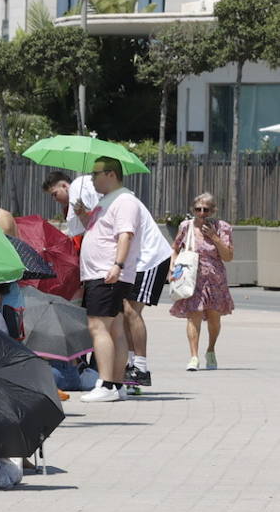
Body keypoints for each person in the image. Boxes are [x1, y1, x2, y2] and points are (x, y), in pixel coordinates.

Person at [77, 157, 147, 403]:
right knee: (115, 328)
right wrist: (84, 216)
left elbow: (125, 235)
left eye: (96, 173)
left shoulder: (124, 201)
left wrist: (117, 265)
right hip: (102, 272)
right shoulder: (106, 202)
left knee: (98, 327)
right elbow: (101, 233)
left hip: (106, 273)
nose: (92, 178)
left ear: (111, 174)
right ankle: (117, 384)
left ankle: (106, 383)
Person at [169, 192, 234, 371]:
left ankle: (211, 350)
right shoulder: (186, 226)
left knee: (214, 319)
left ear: (213, 210)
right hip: (192, 278)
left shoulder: (223, 228)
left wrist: (215, 237)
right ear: (193, 210)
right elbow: (174, 248)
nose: (202, 213)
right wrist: (172, 268)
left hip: (215, 279)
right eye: (198, 209)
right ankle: (194, 357)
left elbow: (228, 257)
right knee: (193, 316)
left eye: (206, 210)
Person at [121, 188, 173, 391]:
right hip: (134, 262)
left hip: (149, 259)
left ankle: (140, 368)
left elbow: (125, 235)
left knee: (132, 310)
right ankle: (132, 366)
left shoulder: (124, 201)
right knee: (125, 310)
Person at [42, 169, 98, 243]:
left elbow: (78, 230)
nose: (55, 199)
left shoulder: (75, 188)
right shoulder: (82, 184)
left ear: (64, 186)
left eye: (55, 194)